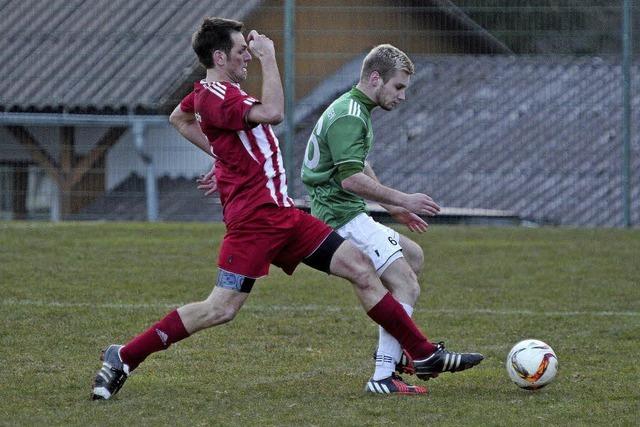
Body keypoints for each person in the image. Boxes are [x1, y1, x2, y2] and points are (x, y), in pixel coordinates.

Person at [91, 18, 482, 401]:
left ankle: (423, 353)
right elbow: (274, 112)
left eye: (250, 51)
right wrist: (269, 57)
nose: (248, 56)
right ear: (219, 56)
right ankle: (123, 356)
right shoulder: (219, 95)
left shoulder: (210, 93)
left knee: (362, 270)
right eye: (242, 51)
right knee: (220, 308)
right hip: (254, 225)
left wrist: (225, 157)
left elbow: (180, 116)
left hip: (284, 216)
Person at [300, 44, 483, 394]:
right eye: (398, 87)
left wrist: (394, 209)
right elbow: (349, 178)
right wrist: (403, 198)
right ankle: (384, 374)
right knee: (406, 284)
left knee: (413, 256)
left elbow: (357, 165)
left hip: (347, 213)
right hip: (342, 220)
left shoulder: (354, 109)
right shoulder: (351, 115)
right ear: (374, 78)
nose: (402, 96)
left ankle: (398, 357)